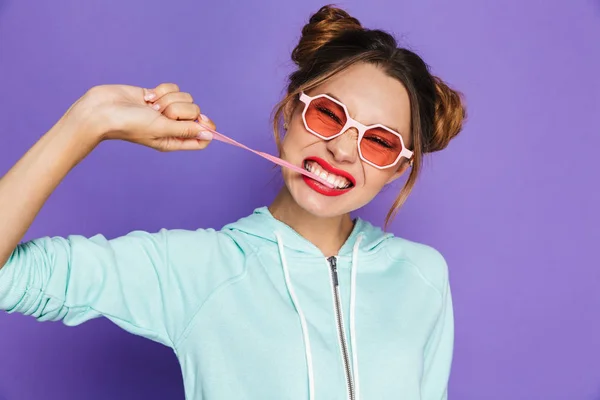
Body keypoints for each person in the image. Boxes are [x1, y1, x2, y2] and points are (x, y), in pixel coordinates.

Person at [0, 5, 465, 400]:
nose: (343, 150)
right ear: (291, 110)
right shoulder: (198, 269)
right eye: (329, 113)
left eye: (379, 142)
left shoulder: (423, 275)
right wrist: (86, 121)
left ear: (397, 169)